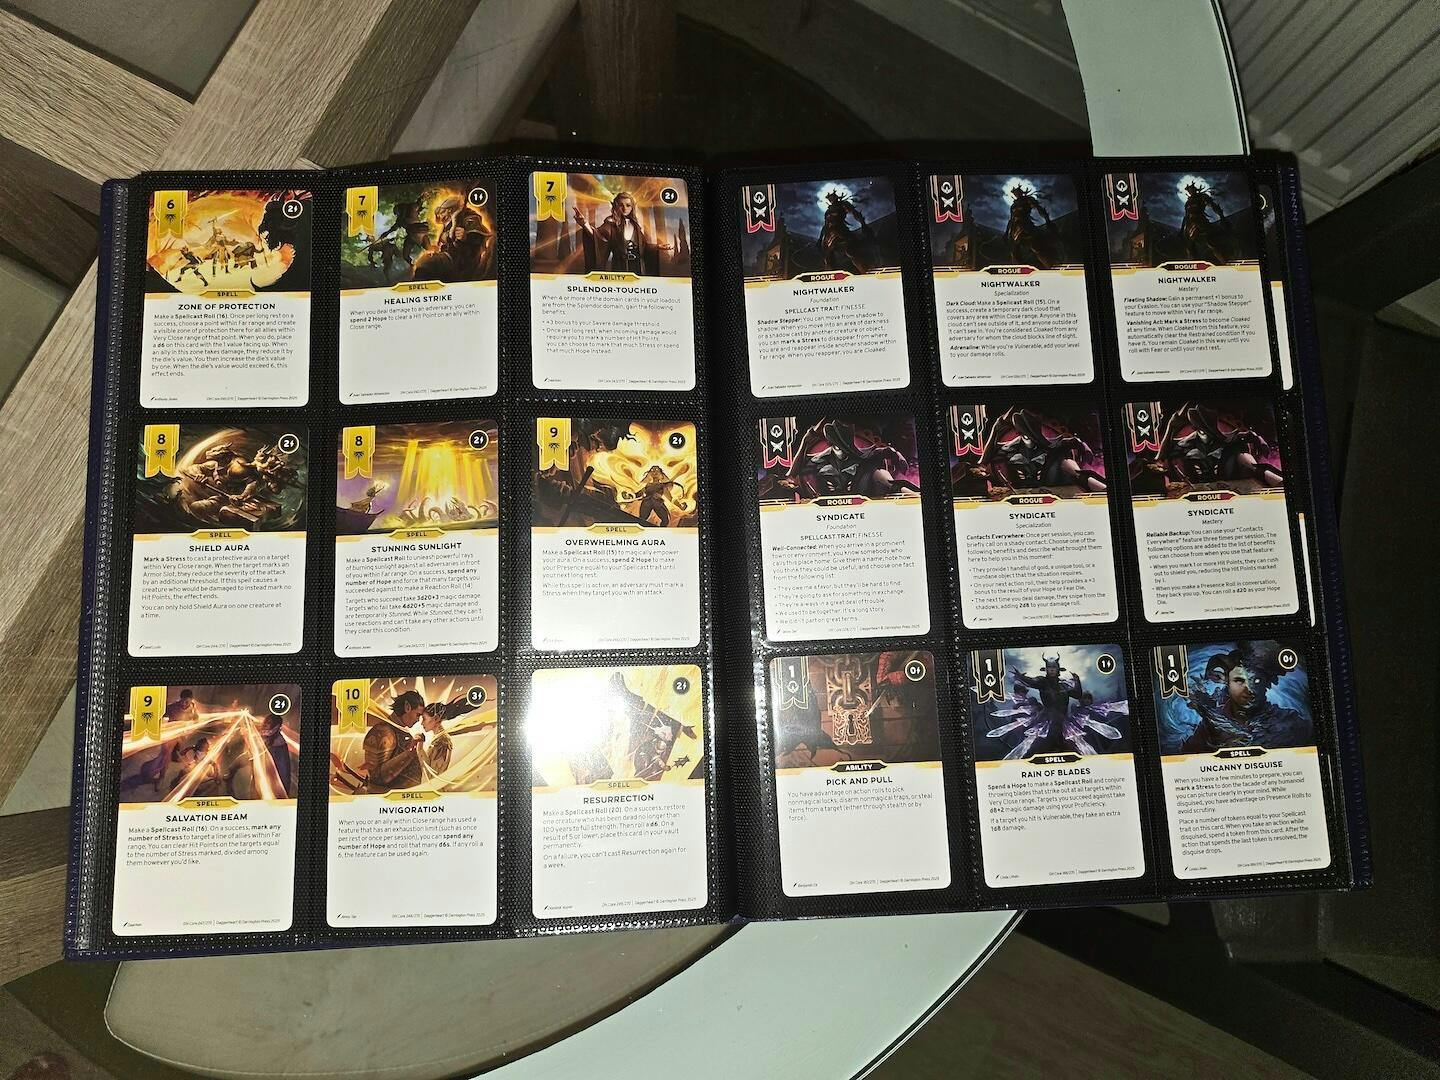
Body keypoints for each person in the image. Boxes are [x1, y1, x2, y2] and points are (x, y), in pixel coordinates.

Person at [1180, 644, 1311, 752]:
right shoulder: (1209, 725)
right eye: (1239, 680)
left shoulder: (1291, 723)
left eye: (1257, 680)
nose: (1249, 689)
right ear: (1226, 682)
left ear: (1266, 682)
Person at [573, 191, 670, 275]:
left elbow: (643, 246)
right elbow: (598, 237)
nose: (624, 208)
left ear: (632, 207)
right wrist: (584, 224)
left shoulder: (635, 225)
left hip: (637, 267)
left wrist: (657, 246)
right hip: (619, 267)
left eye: (628, 205)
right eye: (621, 205)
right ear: (616, 206)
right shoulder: (611, 223)